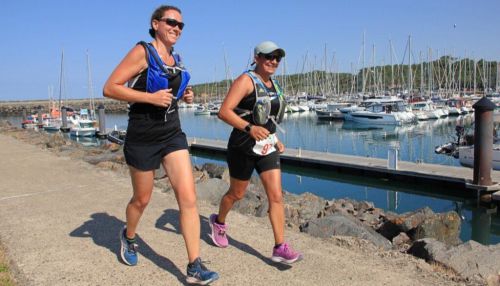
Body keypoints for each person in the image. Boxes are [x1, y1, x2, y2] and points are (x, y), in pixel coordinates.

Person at [103, 5, 219, 284]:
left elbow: (169, 94)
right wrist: (150, 98)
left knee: (188, 198)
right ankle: (128, 236)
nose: (177, 28)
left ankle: (194, 266)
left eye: (181, 25)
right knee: (142, 199)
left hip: (172, 134)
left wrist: (185, 95)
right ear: (156, 24)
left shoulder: (175, 58)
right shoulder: (142, 51)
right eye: (171, 22)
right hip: (142, 135)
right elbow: (110, 87)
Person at [209, 41, 302, 264]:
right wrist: (250, 128)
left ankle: (280, 247)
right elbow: (224, 112)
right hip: (242, 145)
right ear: (257, 57)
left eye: (277, 58)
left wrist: (275, 138)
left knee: (276, 196)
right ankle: (219, 222)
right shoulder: (246, 81)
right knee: (237, 194)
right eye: (269, 56)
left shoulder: (275, 85)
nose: (273, 61)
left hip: (267, 147)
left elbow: (267, 119)